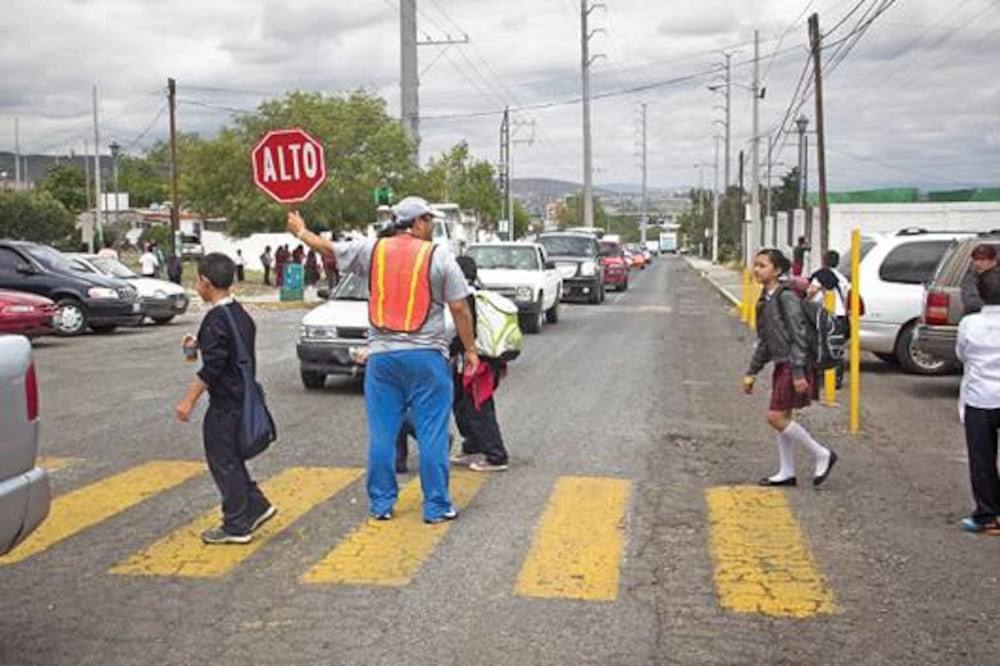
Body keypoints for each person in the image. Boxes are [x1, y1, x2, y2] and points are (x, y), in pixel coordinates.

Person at [287, 197, 479, 524]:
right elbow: (460, 308)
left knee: (382, 433)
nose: (432, 225)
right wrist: (471, 350)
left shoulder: (373, 250)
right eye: (429, 220)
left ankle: (381, 504)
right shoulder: (438, 255)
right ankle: (435, 506)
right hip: (427, 357)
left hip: (382, 360)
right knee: (432, 434)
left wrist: (301, 232)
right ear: (417, 222)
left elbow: (330, 250)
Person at [174, 253, 276, 544]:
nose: (196, 287)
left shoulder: (215, 319)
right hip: (243, 398)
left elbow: (213, 369)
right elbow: (229, 351)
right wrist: (198, 345)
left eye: (198, 281)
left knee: (223, 462)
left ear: (206, 282)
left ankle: (236, 525)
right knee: (229, 458)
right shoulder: (238, 314)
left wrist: (188, 402)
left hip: (226, 405)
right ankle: (256, 505)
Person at [744, 248, 838, 487]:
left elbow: (799, 335)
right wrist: (752, 371)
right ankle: (787, 471)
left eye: (763, 265)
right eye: (756, 264)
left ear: (776, 271)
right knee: (783, 416)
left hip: (794, 363)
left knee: (775, 417)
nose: (757, 269)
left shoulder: (786, 297)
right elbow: (765, 341)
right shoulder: (765, 299)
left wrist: (798, 371)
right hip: (782, 363)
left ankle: (822, 454)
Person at [448, 255, 510, 472]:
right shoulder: (476, 293)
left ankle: (496, 455)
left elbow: (467, 332)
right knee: (463, 405)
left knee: (478, 408)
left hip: (479, 363)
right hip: (480, 362)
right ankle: (473, 445)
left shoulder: (466, 298)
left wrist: (450, 350)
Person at [956, 268, 1000, 533]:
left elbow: (962, 354)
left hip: (980, 397)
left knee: (982, 458)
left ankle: (986, 515)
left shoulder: (969, 324)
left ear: (981, 294)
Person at [807, 250, 850, 388]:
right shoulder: (842, 278)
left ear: (824, 260)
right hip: (841, 316)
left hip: (827, 316)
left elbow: (812, 291)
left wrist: (804, 301)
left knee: (821, 345)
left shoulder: (821, 275)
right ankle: (836, 379)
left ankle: (822, 378)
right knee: (837, 346)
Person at [961, 244, 998, 315]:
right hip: (977, 318)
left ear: (994, 261)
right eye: (976, 259)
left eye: (983, 260)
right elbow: (970, 301)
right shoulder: (970, 279)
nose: (978, 263)